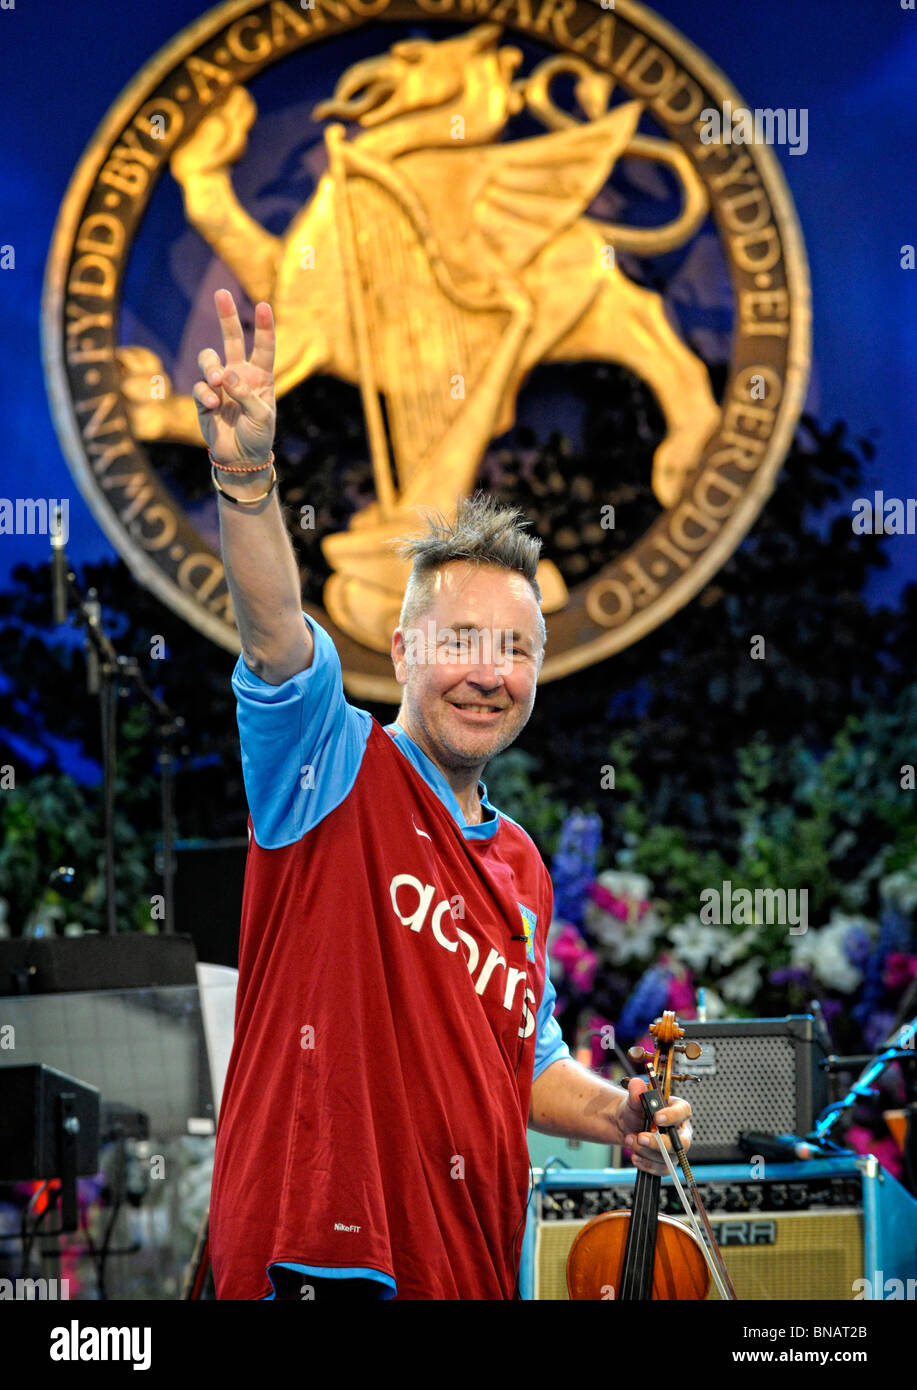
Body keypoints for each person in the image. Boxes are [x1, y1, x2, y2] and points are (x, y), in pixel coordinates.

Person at [197, 288, 692, 1300]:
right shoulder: (329, 765)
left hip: (465, 1274)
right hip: (317, 1266)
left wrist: (619, 1115)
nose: (487, 670)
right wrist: (245, 477)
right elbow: (275, 628)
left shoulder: (521, 867)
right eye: (459, 640)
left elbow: (527, 1060)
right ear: (403, 648)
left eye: (513, 648)